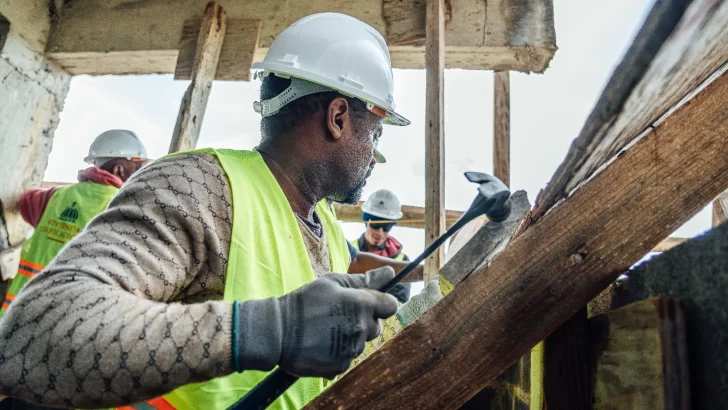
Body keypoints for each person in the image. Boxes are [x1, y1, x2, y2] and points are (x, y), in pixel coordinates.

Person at [0, 13, 425, 410]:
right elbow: (36, 337)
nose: (374, 154)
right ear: (337, 117)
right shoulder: (200, 188)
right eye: (376, 132)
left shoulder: (326, 223)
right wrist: (273, 328)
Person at [0, 129, 150, 319]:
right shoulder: (123, 209)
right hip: (60, 321)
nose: (141, 173)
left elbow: (25, 201)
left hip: (13, 314)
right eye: (137, 166)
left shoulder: (55, 196)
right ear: (119, 169)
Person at [349, 189, 412, 303]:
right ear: (366, 221)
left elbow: (399, 301)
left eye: (386, 227)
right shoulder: (347, 250)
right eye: (376, 224)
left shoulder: (402, 260)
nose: (380, 232)